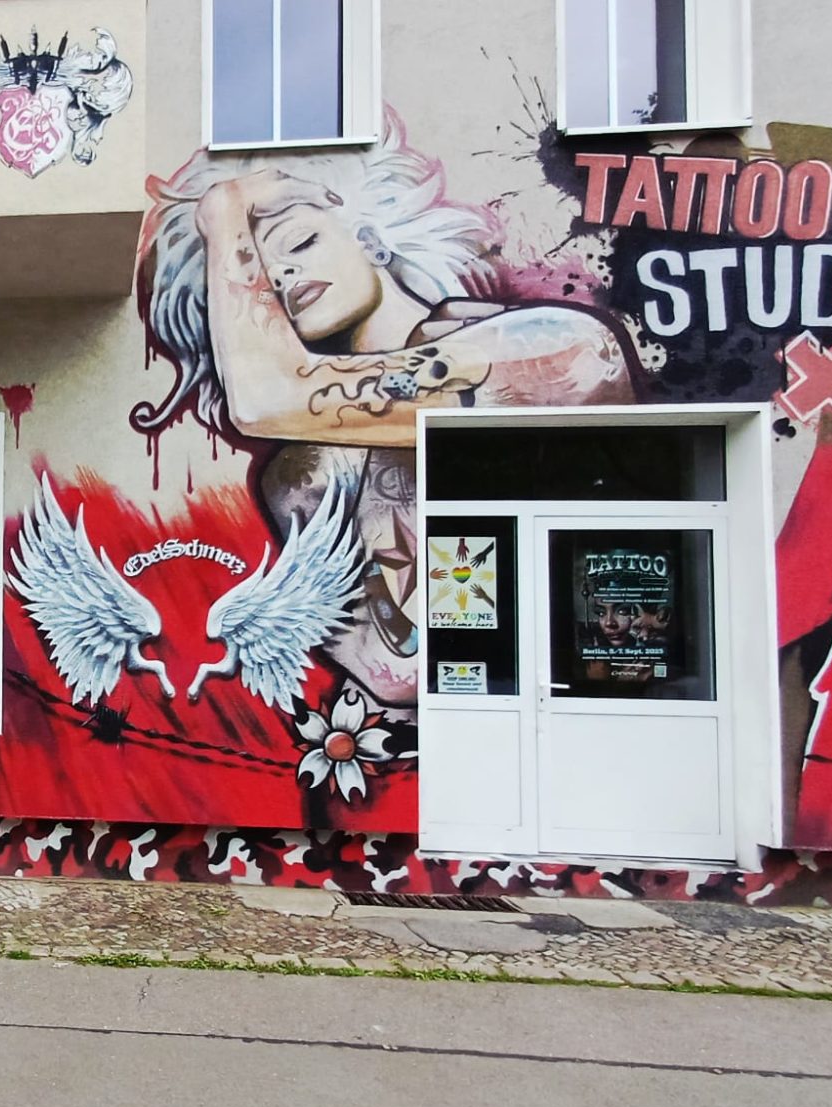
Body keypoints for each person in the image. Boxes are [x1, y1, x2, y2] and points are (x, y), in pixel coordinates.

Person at [139, 116, 641, 711]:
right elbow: (398, 667)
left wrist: (224, 212)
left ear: (371, 237)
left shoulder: (552, 345)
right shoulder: (308, 476)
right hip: (443, 741)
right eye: (263, 283)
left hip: (605, 705)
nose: (282, 276)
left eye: (299, 243)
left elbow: (269, 399)